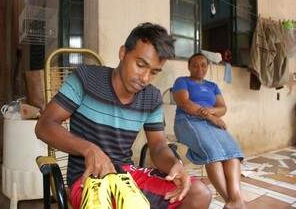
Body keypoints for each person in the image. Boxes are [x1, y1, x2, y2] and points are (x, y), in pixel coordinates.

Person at [35, 23, 212, 209]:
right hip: (89, 179)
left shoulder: (152, 97)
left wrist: (174, 164)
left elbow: (158, 146)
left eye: (154, 72)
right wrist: (89, 149)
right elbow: (45, 125)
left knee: (199, 193)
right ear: (122, 53)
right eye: (140, 65)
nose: (145, 78)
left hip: (127, 175)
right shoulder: (86, 79)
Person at [172, 53, 245, 209]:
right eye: (195, 65)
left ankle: (236, 199)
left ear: (208, 67)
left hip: (210, 122)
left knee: (233, 153)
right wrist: (212, 117)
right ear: (189, 67)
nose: (200, 68)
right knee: (213, 153)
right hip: (187, 121)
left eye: (203, 65)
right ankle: (231, 201)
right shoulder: (182, 81)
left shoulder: (213, 86)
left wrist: (211, 113)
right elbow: (185, 103)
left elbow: (222, 108)